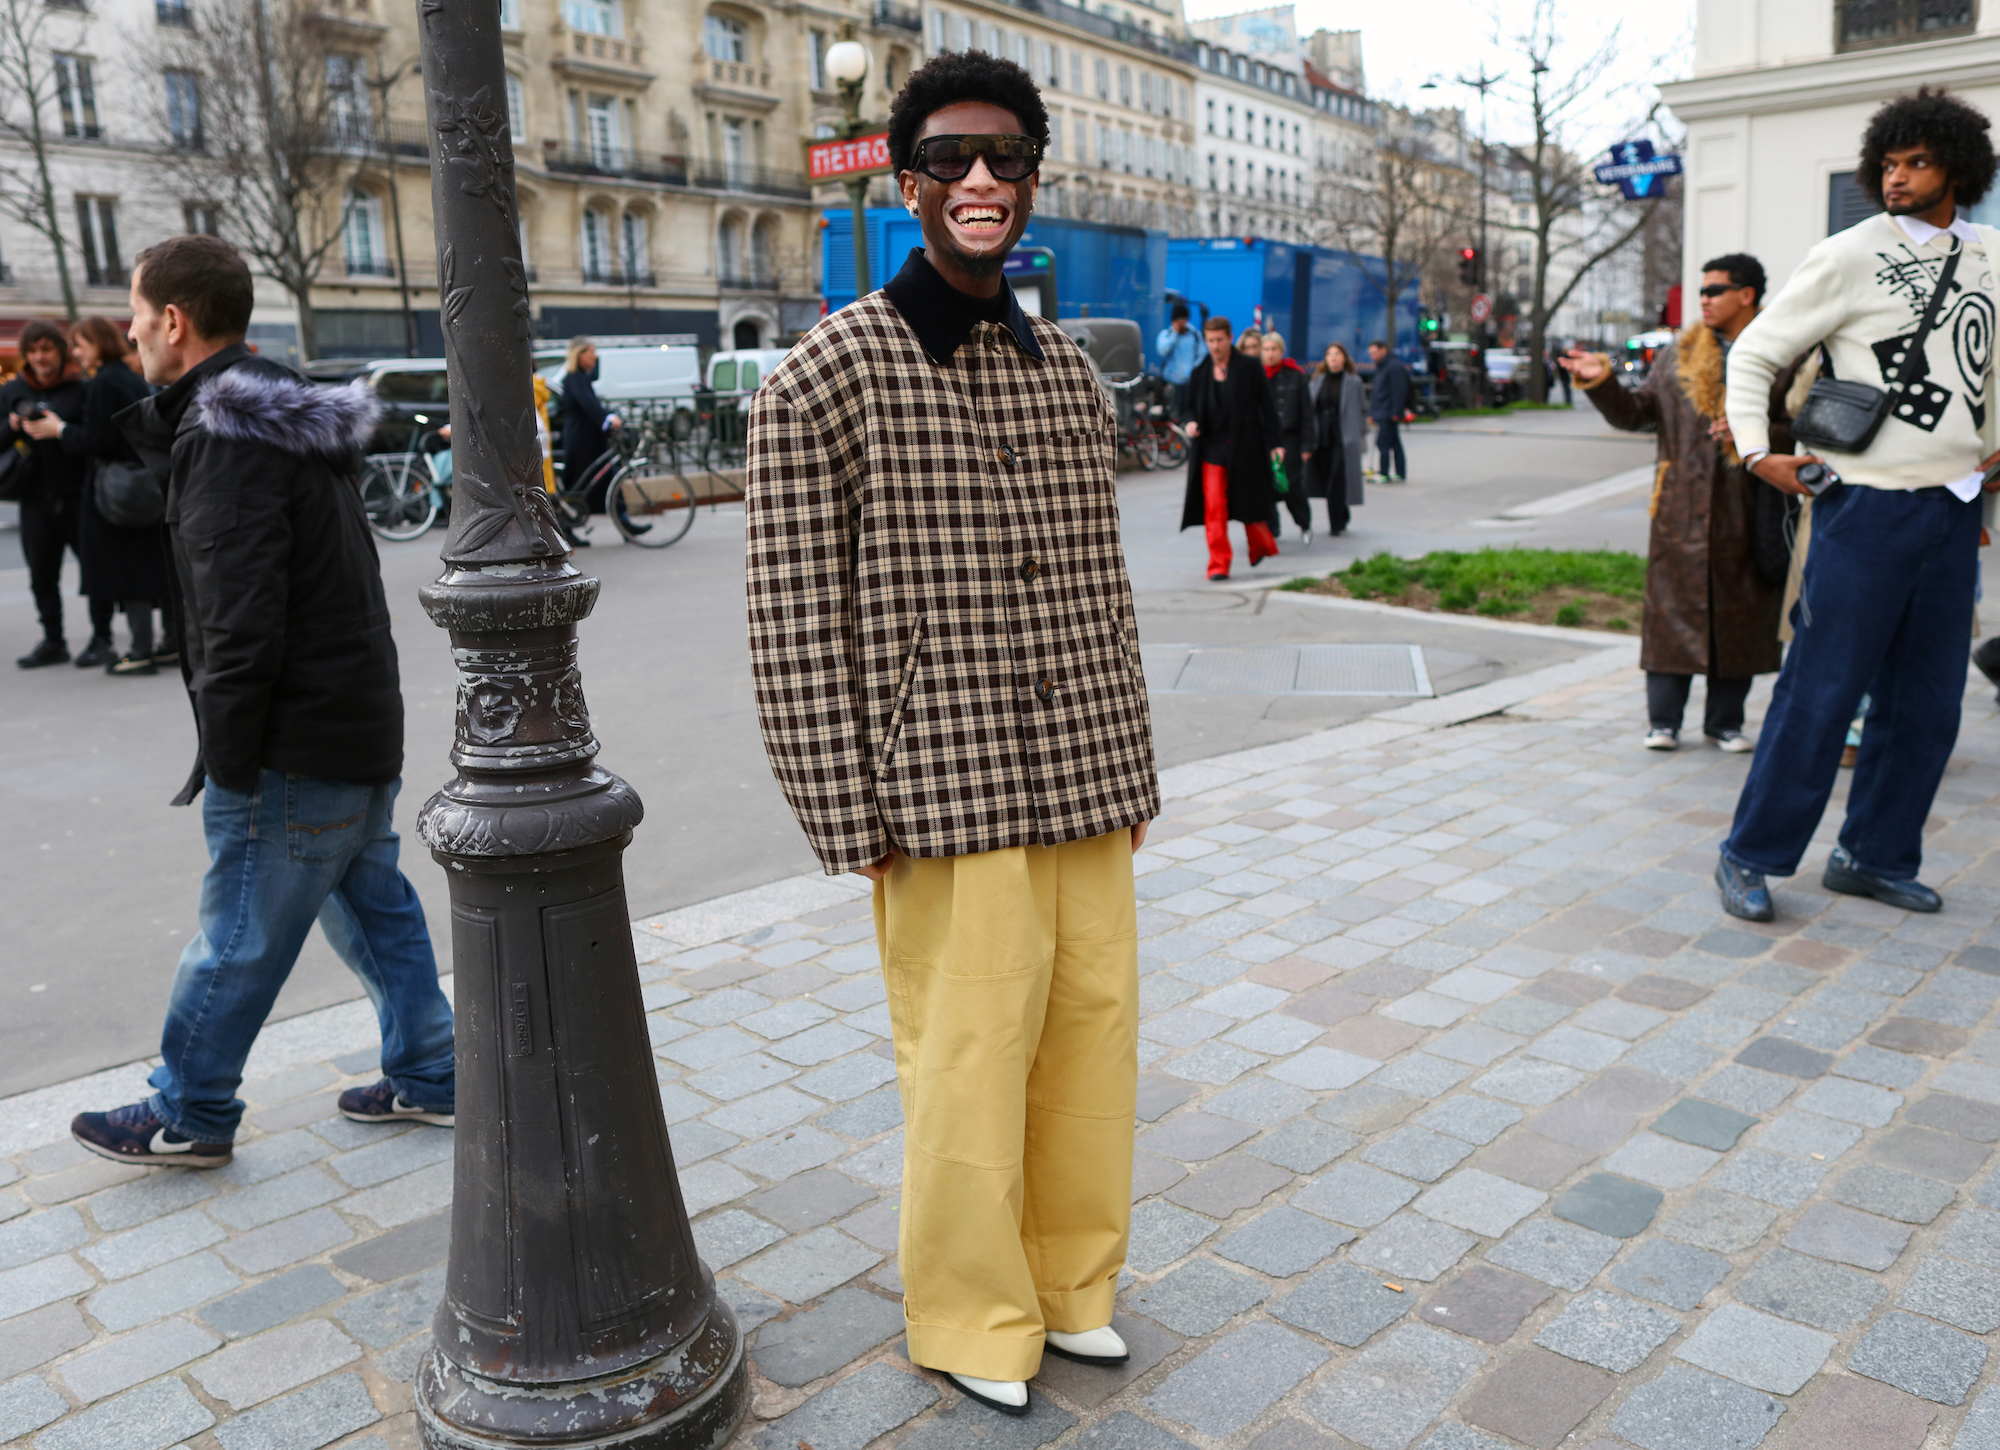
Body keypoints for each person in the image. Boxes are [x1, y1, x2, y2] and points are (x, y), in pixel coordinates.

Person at [745, 51, 1158, 1419]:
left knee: (1092, 1040)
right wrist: (841, 810)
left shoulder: (1067, 375)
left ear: (1035, 175)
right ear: (904, 177)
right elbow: (791, 624)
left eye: (1005, 157)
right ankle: (973, 1307)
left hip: (1085, 766)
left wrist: (1134, 763)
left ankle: (1072, 1285)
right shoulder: (827, 375)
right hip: (941, 777)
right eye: (949, 160)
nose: (979, 181)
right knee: (971, 1057)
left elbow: (1104, 589)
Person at [69, 234, 454, 1167]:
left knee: (239, 929)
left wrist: (231, 761)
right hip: (354, 717)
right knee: (372, 904)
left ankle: (189, 1110)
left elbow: (239, 619)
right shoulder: (284, 417)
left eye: (133, 313)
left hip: (296, 735)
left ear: (174, 320)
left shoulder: (226, 438)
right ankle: (433, 1072)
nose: (128, 333)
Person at [1715, 87, 2000, 923]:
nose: (1899, 178)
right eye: (1889, 163)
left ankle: (1871, 856)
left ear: (1959, 167)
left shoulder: (1990, 254)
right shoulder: (1849, 253)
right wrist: (1756, 451)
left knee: (1928, 705)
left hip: (1952, 511)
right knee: (1822, 690)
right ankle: (1750, 855)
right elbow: (1755, 353)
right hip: (1865, 507)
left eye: (1917, 162)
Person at [1562, 253, 1797, 754]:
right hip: (1680, 507)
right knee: (1670, 614)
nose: (1704, 300)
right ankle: (1663, 721)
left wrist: (1757, 433)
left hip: (1748, 506)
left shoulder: (1782, 353)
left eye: (1714, 290)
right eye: (1703, 291)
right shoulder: (1678, 353)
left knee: (1742, 615)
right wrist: (1600, 382)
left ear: (1746, 295)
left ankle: (1725, 722)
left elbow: (1803, 426)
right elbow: (1637, 413)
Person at [22, 317, 166, 675]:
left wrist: (61, 429)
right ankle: (169, 644)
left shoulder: (103, 382)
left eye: (80, 344)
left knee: (125, 570)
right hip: (141, 483)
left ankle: (139, 650)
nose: (76, 352)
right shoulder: (127, 377)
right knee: (153, 565)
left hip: (118, 490)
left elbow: (99, 440)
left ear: (98, 343)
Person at [6, 321, 90, 668]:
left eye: (47, 349)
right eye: (33, 350)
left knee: (94, 570)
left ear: (60, 350)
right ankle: (53, 641)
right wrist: (10, 426)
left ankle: (101, 636)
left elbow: (95, 437)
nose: (40, 357)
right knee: (42, 575)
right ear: (25, 354)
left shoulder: (81, 388)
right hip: (33, 499)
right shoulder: (12, 391)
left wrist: (59, 430)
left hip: (77, 494)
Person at [1183, 314, 1282, 581]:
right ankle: (1218, 564)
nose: (1214, 345)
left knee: (1250, 502)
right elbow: (1190, 407)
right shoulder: (1200, 371)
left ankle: (1261, 545)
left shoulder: (1249, 367)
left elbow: (1269, 407)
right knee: (1214, 507)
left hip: (1246, 449)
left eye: (1219, 340)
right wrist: (1191, 422)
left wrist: (1276, 445)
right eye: (1210, 340)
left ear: (1230, 338)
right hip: (1212, 450)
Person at [558, 335, 620, 544]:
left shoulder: (581, 377)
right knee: (579, 483)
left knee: (607, 477)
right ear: (580, 354)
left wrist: (607, 415)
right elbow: (588, 404)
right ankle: (566, 529)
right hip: (581, 438)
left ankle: (625, 521)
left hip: (586, 436)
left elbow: (592, 403)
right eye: (591, 351)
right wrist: (608, 418)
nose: (595, 356)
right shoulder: (574, 378)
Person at [1307, 341, 1365, 537]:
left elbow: (1361, 410)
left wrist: (1360, 437)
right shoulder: (1317, 381)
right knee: (1326, 479)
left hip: (1343, 437)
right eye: (1329, 354)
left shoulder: (1353, 382)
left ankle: (1336, 524)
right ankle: (1342, 512)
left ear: (1344, 358)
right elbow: (1309, 409)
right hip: (1321, 437)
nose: (1333, 357)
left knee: (1336, 479)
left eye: (1337, 354)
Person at [1260, 330, 1312, 543]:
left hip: (1289, 439)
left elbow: (1306, 413)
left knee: (1291, 484)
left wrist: (1307, 445)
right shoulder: (1257, 376)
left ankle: (1304, 523)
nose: (1270, 354)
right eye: (1266, 349)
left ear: (1281, 351)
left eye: (1274, 349)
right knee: (1266, 486)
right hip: (1264, 439)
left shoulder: (1295, 375)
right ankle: (1272, 528)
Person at [1367, 339, 1410, 482]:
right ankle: (1400, 472)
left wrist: (1397, 412)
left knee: (1383, 442)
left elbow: (1399, 391)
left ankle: (1384, 473)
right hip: (1381, 410)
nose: (1372, 356)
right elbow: (1377, 392)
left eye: (1374, 352)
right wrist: (1372, 413)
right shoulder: (1381, 366)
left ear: (1383, 350)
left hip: (1389, 411)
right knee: (1394, 442)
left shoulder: (1393, 367)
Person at [1154, 301, 1201, 417]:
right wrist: (1175, 334)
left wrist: (1194, 369)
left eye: (1184, 319)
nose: (1181, 323)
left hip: (1190, 381)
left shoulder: (1194, 335)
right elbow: (1162, 351)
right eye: (1178, 320)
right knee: (1173, 412)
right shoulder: (1166, 335)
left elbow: (1201, 354)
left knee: (1189, 412)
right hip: (1172, 381)